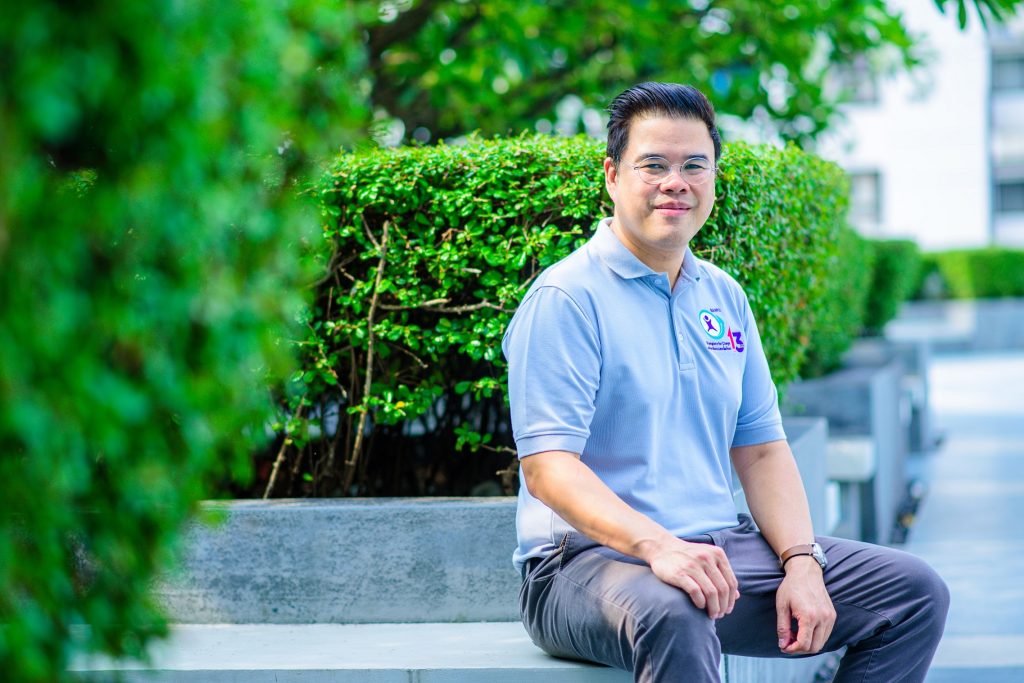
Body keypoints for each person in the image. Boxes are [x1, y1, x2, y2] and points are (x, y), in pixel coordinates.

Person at [501, 82, 949, 683]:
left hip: (717, 550)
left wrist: (802, 561)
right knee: (675, 610)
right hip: (582, 566)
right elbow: (549, 468)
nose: (675, 182)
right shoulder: (567, 298)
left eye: (694, 165)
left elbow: (761, 449)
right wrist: (659, 547)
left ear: (713, 179)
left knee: (913, 593)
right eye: (652, 165)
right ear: (612, 176)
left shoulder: (722, 295)